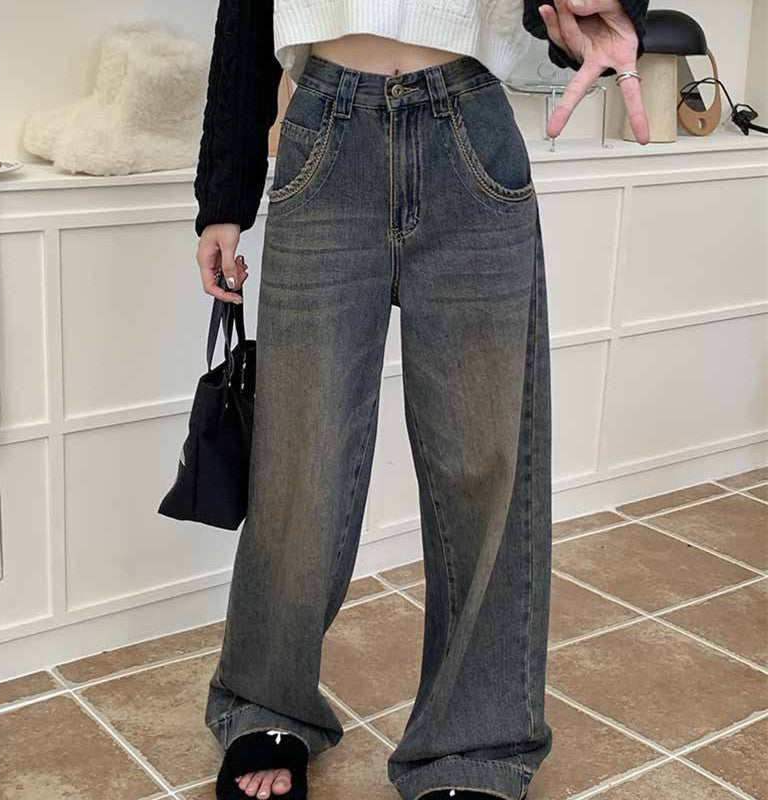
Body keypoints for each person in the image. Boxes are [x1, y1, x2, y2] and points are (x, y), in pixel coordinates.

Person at [192, 2, 650, 799]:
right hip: (325, 131)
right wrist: (224, 195)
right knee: (301, 457)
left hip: (470, 127)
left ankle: (475, 744)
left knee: (486, 463)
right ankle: (267, 704)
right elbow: (244, 16)